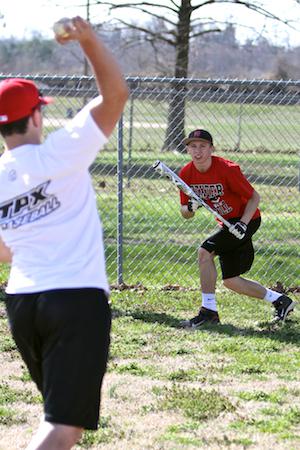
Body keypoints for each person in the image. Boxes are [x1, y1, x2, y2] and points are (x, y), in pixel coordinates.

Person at [0, 17, 128, 450]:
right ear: (36, 115)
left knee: (54, 416)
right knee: (63, 427)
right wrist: (88, 39)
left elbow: (2, 251)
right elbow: (115, 95)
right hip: (74, 299)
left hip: (22, 303)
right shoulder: (61, 150)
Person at [178, 129, 296, 328]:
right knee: (231, 281)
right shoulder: (186, 173)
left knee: (204, 252)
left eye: (202, 146)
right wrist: (190, 207)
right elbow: (185, 213)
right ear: (187, 149)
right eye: (193, 146)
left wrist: (243, 223)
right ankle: (281, 301)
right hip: (226, 223)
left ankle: (208, 312)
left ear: (211, 148)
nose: (197, 151)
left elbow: (254, 197)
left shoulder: (227, 169)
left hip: (246, 219)